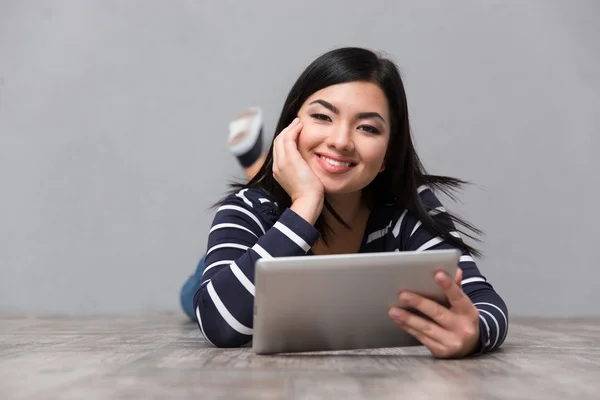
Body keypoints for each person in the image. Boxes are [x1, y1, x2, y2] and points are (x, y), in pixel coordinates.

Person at [190, 47, 508, 359]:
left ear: (387, 155)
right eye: (322, 116)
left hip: (265, 247)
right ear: (290, 128)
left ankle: (255, 162)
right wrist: (305, 203)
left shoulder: (405, 211)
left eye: (367, 128)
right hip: (249, 247)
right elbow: (219, 322)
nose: (341, 141)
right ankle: (255, 165)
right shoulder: (249, 207)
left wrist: (473, 333)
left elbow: (483, 300)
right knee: (193, 292)